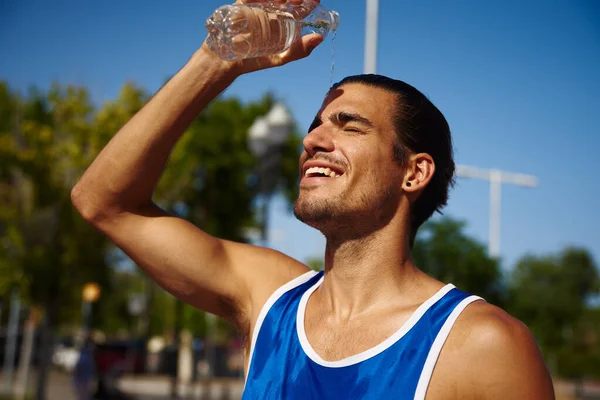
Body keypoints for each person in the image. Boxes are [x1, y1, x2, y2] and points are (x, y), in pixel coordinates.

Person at [71, 0, 555, 398]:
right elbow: (103, 202)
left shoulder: (482, 344)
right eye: (314, 127)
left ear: (413, 172)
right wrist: (216, 62)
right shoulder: (270, 300)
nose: (313, 141)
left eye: (349, 126)